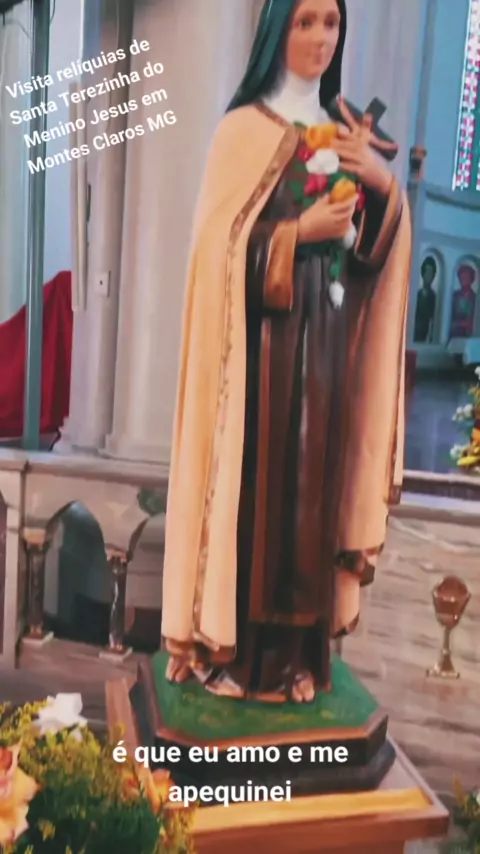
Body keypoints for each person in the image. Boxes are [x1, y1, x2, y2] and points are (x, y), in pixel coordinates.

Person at [161, 0, 411, 704]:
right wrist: (299, 232)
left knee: (311, 499)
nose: (321, 37)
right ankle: (239, 656)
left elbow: (372, 260)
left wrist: (381, 185)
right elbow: (215, 255)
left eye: (332, 22)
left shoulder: (345, 129)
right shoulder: (242, 130)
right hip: (258, 358)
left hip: (326, 344)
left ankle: (304, 659)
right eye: (305, 21)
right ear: (277, 31)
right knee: (258, 498)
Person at [450, 264, 477, 338]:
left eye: (466, 277)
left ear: (471, 279)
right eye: (461, 277)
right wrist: (460, 324)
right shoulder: (453, 297)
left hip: (471, 337)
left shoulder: (476, 298)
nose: (463, 279)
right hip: (454, 336)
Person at [414, 257, 437, 343]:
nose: (429, 276)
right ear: (422, 274)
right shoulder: (416, 294)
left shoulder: (434, 297)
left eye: (431, 273)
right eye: (427, 272)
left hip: (426, 337)